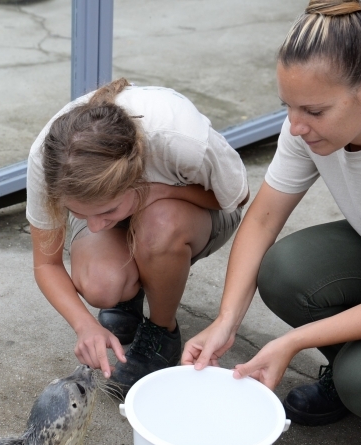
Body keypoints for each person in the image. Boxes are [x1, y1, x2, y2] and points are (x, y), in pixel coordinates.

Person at [182, 0, 361, 445]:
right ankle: (360, 367)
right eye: (288, 106)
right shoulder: (306, 122)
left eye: (314, 111)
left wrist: (294, 342)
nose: (295, 126)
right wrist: (226, 320)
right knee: (284, 271)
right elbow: (263, 220)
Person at [26, 79, 248, 398]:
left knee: (159, 224)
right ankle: (129, 294)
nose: (95, 227)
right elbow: (46, 263)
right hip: (135, 205)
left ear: (136, 179)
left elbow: (236, 198)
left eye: (107, 211)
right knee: (101, 283)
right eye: (78, 212)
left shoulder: (182, 140)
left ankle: (162, 332)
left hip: (192, 214)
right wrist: (84, 325)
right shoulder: (50, 158)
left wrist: (157, 192)